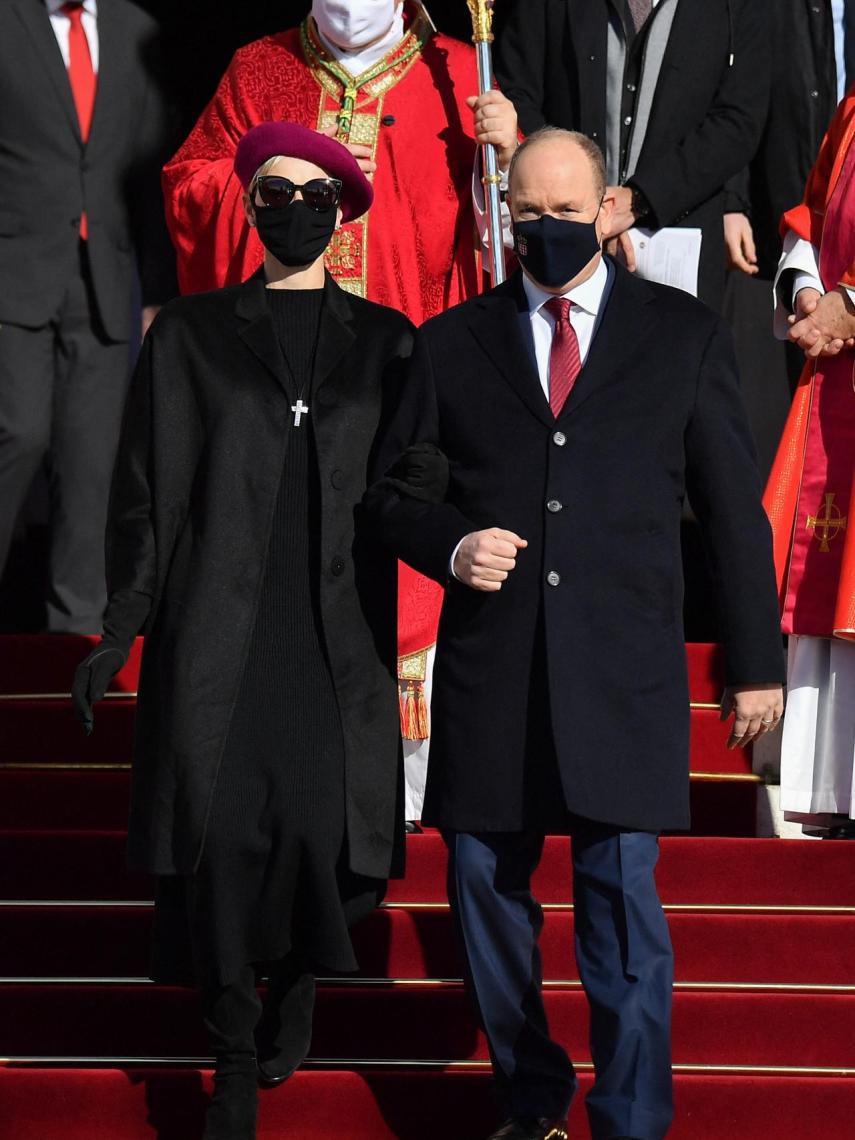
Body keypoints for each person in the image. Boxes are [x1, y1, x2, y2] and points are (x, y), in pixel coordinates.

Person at [366, 127, 785, 1140]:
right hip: (493, 671)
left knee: (622, 910)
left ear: (608, 209)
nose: (548, 229)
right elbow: (391, 494)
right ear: (508, 215)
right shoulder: (453, 341)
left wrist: (756, 668)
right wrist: (454, 544)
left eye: (568, 210)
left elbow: (732, 510)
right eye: (529, 213)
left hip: (622, 674)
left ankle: (631, 1118)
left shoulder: (677, 335)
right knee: (481, 892)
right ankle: (532, 1093)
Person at [72, 122, 413, 1140]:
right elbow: (146, 494)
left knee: (319, 830)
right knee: (216, 843)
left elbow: (416, 483)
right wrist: (119, 622)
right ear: (250, 204)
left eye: (316, 192)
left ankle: (300, 980)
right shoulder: (189, 334)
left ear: (342, 212)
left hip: (332, 631)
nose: (295, 206)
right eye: (275, 189)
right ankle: (227, 1047)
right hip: (215, 626)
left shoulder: (390, 342)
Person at [162, 0, 519, 826]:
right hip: (276, 376)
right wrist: (263, 194)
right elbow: (189, 183)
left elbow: (505, 237)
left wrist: (498, 162)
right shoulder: (258, 69)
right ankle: (275, 766)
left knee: (397, 542)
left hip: (404, 373)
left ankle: (398, 782)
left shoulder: (462, 74)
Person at [0, 0, 176, 631]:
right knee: (15, 433)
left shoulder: (136, 31)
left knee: (93, 461)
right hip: (13, 275)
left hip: (106, 281)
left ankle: (78, 645)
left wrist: (156, 288)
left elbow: (149, 169)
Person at [494, 0, 770, 310]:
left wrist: (638, 199)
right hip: (561, 234)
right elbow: (516, 92)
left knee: (671, 352)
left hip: (677, 237)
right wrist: (585, 205)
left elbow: (738, 122)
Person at [766, 87, 855, 840]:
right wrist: (804, 288)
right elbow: (812, 213)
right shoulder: (854, 103)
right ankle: (831, 790)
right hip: (839, 376)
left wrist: (849, 301)